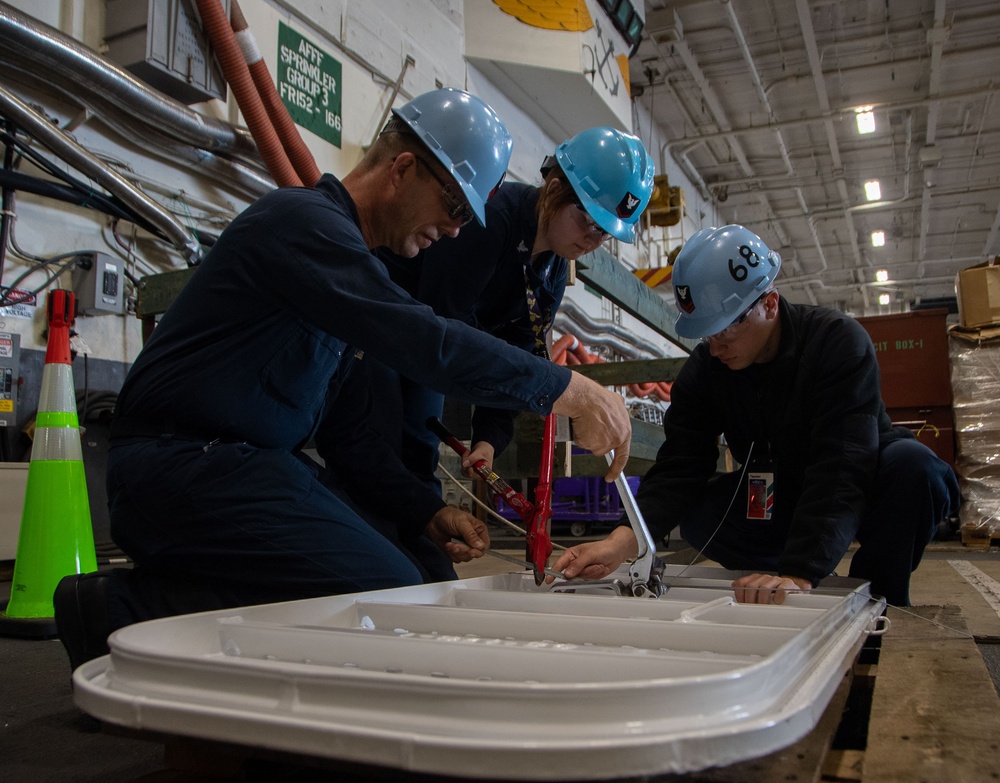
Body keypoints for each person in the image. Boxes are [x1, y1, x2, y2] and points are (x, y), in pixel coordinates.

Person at [53, 88, 633, 670]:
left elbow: (351, 434)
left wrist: (423, 512)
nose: (456, 233)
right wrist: (568, 388)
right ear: (403, 169)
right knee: (377, 594)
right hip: (180, 466)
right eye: (455, 209)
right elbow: (426, 341)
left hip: (244, 463)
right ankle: (125, 610)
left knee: (416, 579)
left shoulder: (355, 271)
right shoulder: (304, 224)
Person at [550, 224, 959, 607]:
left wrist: (802, 571)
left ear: (769, 304)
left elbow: (842, 463)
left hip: (862, 480)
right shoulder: (708, 369)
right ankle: (778, 573)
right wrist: (621, 541)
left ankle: (875, 600)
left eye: (725, 329)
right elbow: (680, 468)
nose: (715, 347)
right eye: (706, 334)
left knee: (916, 468)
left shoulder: (837, 343)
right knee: (698, 513)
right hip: (779, 490)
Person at [316, 126, 654, 582]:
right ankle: (380, 568)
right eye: (589, 220)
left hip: (431, 362)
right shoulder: (491, 217)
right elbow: (442, 331)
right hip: (389, 342)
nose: (594, 239)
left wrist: (489, 440)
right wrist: (567, 391)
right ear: (554, 191)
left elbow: (520, 349)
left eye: (606, 232)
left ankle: (422, 567)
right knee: (376, 456)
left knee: (416, 459)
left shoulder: (551, 270)